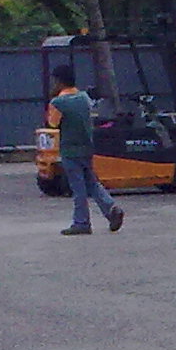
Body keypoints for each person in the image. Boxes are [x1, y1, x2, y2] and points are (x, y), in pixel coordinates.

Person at [47, 65, 124, 237]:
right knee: (92, 182)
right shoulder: (84, 98)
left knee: (78, 188)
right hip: (87, 147)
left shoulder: (58, 102)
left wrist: (52, 102)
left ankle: (81, 222)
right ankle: (111, 208)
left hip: (70, 149)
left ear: (59, 81)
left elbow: (53, 124)